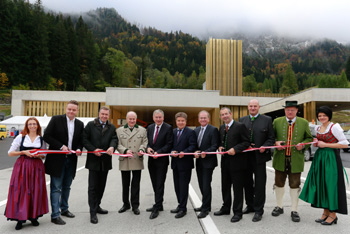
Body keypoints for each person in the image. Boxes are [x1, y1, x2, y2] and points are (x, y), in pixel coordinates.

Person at [299, 106, 349, 225]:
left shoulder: (334, 127)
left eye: (324, 115)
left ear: (329, 116)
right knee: (321, 184)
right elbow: (320, 143)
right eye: (320, 115)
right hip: (320, 158)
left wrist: (325, 144)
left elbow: (345, 144)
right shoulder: (318, 128)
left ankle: (333, 214)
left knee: (330, 185)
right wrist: (317, 144)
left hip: (331, 159)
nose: (321, 117)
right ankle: (325, 212)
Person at [272, 100, 313, 222]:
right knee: (279, 183)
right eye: (288, 110)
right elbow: (271, 136)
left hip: (296, 159)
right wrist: (275, 142)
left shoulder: (304, 122)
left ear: (296, 111)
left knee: (295, 184)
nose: (290, 112)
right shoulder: (277, 121)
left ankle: (294, 209)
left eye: (292, 110)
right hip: (280, 158)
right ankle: (279, 206)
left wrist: (303, 145)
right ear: (285, 110)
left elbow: (309, 138)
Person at [44, 100, 84, 225]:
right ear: (66, 109)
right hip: (57, 160)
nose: (71, 111)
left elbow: (80, 140)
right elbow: (47, 136)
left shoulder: (79, 124)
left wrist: (78, 148)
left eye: (74, 110)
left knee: (67, 186)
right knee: (56, 188)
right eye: (69, 109)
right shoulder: (56, 120)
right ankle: (55, 215)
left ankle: (64, 209)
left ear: (77, 111)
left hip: (71, 160)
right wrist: (61, 146)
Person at [5, 117, 48, 230]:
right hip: (23, 166)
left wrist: (39, 155)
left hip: (36, 167)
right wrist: (23, 152)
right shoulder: (21, 137)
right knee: (21, 191)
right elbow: (10, 153)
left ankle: (34, 216)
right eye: (30, 124)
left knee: (35, 190)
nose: (32, 126)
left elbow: (44, 154)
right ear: (27, 126)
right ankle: (20, 218)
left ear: (38, 126)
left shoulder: (41, 139)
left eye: (34, 124)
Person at [239, 99, 275, 222]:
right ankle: (250, 205)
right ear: (248, 107)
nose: (253, 108)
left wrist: (265, 146)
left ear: (259, 107)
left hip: (259, 158)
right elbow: (239, 137)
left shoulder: (267, 120)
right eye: (251, 106)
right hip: (245, 157)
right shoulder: (242, 120)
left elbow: (271, 138)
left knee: (260, 184)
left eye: (255, 106)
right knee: (247, 183)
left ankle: (259, 210)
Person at [214, 107, 250, 223]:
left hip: (238, 163)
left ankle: (237, 212)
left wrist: (235, 149)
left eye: (226, 114)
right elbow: (220, 141)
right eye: (222, 115)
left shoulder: (240, 126)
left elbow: (246, 142)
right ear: (220, 117)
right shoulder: (222, 127)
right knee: (225, 186)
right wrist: (219, 146)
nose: (225, 116)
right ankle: (225, 208)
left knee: (237, 188)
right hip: (225, 163)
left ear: (231, 114)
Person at [83, 106, 117, 224]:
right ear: (99, 114)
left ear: (109, 115)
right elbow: (84, 139)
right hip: (93, 161)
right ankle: (92, 212)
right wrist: (93, 149)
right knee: (92, 187)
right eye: (102, 114)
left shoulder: (112, 127)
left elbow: (114, 139)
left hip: (105, 161)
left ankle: (97, 206)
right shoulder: (90, 125)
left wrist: (112, 146)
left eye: (106, 115)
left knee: (101, 186)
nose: (104, 116)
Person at [116, 111, 148, 216]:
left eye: (134, 119)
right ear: (126, 119)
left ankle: (135, 206)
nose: (132, 121)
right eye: (130, 119)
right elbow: (117, 144)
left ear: (136, 119)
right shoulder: (119, 130)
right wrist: (125, 151)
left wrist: (142, 149)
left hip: (136, 159)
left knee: (135, 184)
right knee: (125, 184)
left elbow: (145, 142)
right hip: (125, 160)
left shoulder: (142, 130)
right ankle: (126, 204)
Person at [146, 109, 173, 219]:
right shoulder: (150, 127)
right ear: (153, 118)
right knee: (154, 183)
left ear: (163, 117)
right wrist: (147, 148)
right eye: (156, 117)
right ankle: (159, 203)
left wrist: (159, 152)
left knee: (160, 183)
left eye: (160, 117)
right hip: (151, 160)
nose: (158, 119)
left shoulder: (168, 128)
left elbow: (169, 144)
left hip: (162, 160)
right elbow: (146, 141)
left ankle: (157, 206)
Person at [170, 112, 197, 219]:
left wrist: (184, 152)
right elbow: (170, 145)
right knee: (177, 186)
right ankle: (180, 204)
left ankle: (183, 209)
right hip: (175, 163)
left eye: (182, 121)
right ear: (176, 122)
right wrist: (172, 151)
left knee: (183, 186)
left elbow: (193, 145)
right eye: (178, 121)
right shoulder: (173, 132)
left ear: (186, 121)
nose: (180, 122)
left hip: (185, 164)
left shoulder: (190, 132)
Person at [193, 110, 219, 219]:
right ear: (199, 119)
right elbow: (194, 144)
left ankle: (205, 209)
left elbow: (215, 145)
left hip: (208, 162)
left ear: (208, 119)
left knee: (206, 184)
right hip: (199, 161)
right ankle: (206, 205)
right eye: (201, 118)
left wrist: (206, 153)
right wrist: (195, 152)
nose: (203, 120)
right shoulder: (196, 130)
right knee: (200, 184)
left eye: (205, 118)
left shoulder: (213, 130)